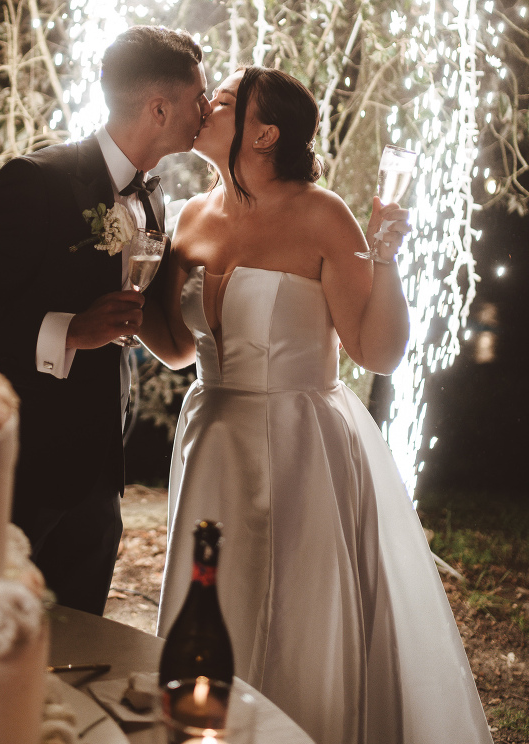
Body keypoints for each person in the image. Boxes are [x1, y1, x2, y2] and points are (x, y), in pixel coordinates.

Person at [140, 66, 492, 744]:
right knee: (212, 599)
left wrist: (385, 254)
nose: (206, 104)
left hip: (302, 443)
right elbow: (179, 347)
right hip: (212, 439)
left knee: (297, 611)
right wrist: (129, 300)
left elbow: (375, 351)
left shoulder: (322, 214)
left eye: (224, 100)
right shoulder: (187, 217)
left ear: (264, 134)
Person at [0, 26, 210, 615]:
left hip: (100, 468)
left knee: (83, 640)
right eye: (198, 98)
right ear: (159, 108)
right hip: (21, 468)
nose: (206, 111)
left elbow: (164, 329)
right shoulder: (33, 182)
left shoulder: (154, 200)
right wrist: (71, 331)